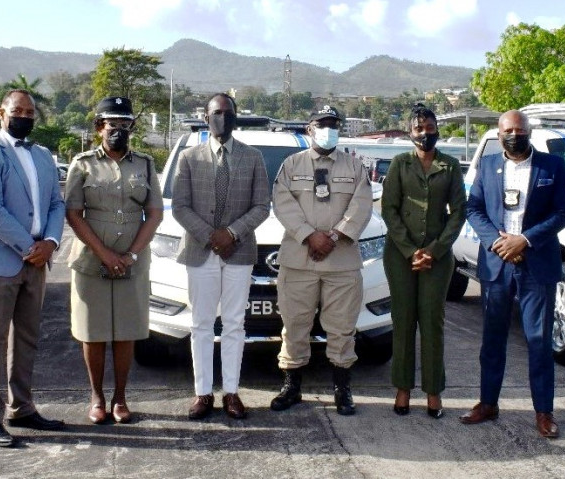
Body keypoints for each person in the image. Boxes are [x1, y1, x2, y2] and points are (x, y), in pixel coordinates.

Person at [460, 109, 565, 438]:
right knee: (492, 340)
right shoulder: (489, 165)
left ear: (529, 131)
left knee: (538, 342)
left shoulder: (552, 167)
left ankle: (543, 411)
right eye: (508, 130)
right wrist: (497, 241)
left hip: (536, 264)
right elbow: (474, 207)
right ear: (498, 133)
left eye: (520, 130)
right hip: (497, 264)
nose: (514, 134)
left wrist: (524, 240)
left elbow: (562, 212)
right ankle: (488, 404)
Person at [0, 89, 66, 447]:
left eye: (30, 111)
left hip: (37, 261)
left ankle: (21, 407)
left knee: (27, 339)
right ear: (1, 113)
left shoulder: (42, 156)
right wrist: (30, 247)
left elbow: (57, 203)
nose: (24, 115)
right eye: (17, 110)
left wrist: (51, 244)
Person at [171, 93, 270, 420]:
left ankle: (231, 392)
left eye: (227, 113)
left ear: (235, 117)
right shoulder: (189, 157)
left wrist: (232, 233)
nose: (222, 119)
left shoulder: (253, 157)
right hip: (201, 253)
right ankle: (202, 393)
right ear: (205, 116)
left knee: (234, 325)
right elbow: (181, 206)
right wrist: (209, 235)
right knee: (200, 324)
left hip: (239, 253)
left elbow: (261, 206)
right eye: (216, 113)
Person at [271, 105, 374, 416]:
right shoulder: (291, 165)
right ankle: (292, 386)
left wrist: (332, 238)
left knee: (343, 328)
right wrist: (309, 235)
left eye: (334, 124)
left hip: (340, 262)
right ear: (309, 129)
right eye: (322, 124)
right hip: (299, 261)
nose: (329, 129)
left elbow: (362, 205)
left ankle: (342, 389)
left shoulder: (355, 168)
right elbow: (282, 203)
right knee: (294, 325)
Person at [64, 96, 162, 425]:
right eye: (111, 123)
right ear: (99, 127)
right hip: (92, 262)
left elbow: (155, 213)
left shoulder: (145, 164)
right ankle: (96, 396)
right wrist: (105, 254)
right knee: (93, 333)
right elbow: (74, 214)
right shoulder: (82, 163)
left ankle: (120, 398)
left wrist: (131, 254)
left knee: (125, 333)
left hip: (132, 263)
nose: (118, 129)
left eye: (124, 124)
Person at [381, 104, 466, 419]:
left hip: (438, 257)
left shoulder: (450, 165)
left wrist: (434, 250)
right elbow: (389, 209)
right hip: (401, 256)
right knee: (403, 321)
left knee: (432, 322)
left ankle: (433, 392)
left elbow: (458, 211)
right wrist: (409, 250)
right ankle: (403, 389)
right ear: (410, 132)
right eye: (419, 128)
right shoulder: (399, 164)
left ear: (437, 129)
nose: (425, 133)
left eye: (429, 127)